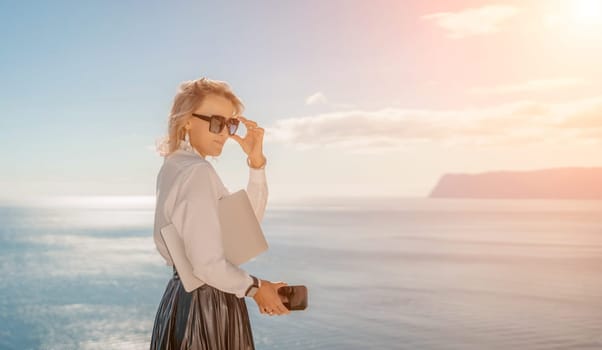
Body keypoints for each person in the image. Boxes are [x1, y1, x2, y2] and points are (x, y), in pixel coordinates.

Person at [150, 77, 290, 350]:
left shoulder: (175, 166)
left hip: (180, 301)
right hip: (207, 308)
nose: (225, 133)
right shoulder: (197, 172)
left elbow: (243, 228)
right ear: (187, 120)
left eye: (230, 124)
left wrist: (256, 162)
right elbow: (207, 265)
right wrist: (257, 288)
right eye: (216, 122)